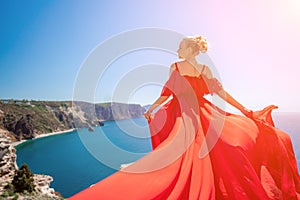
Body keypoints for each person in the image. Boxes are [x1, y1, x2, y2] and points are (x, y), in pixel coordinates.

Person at [70, 36, 300, 200]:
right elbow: (222, 95)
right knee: (213, 151)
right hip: (204, 111)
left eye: (180, 47)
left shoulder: (176, 67)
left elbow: (167, 93)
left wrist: (151, 109)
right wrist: (246, 112)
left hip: (183, 114)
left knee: (184, 154)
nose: (177, 50)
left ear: (189, 50)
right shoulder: (205, 71)